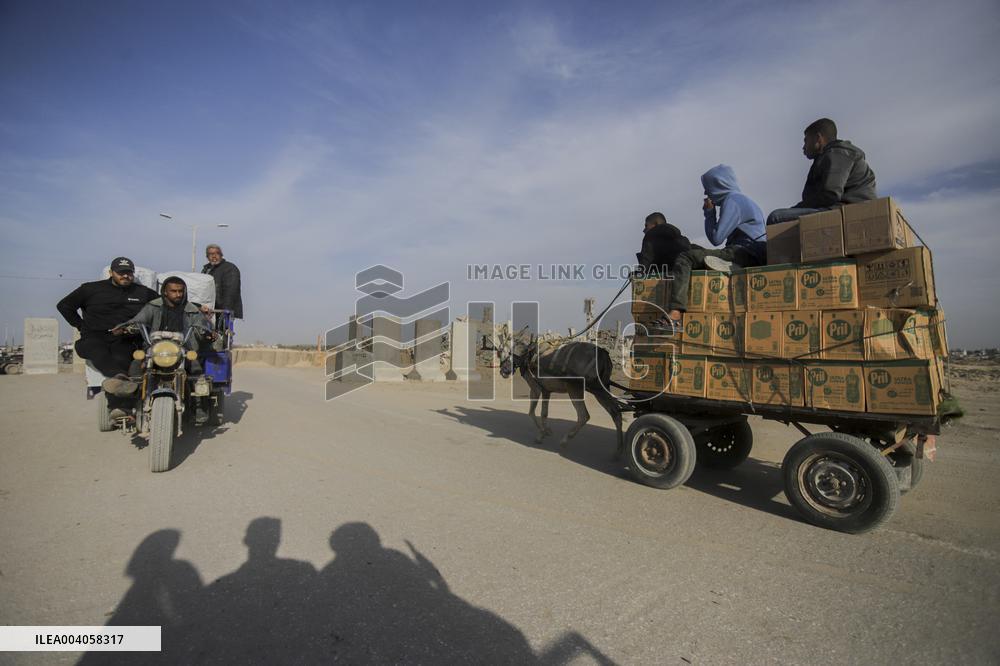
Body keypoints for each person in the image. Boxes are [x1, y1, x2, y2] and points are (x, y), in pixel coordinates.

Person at [660, 165, 766, 327]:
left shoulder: (733, 200)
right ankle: (724, 264)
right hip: (746, 251)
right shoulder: (740, 199)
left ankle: (675, 314)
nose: (706, 193)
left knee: (686, 257)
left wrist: (709, 213)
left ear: (718, 185)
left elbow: (716, 238)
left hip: (744, 252)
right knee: (693, 250)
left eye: (707, 188)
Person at [56, 256, 158, 396]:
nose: (125, 276)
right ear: (111, 273)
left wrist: (196, 307)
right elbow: (64, 306)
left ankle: (121, 404)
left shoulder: (143, 292)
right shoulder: (90, 289)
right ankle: (119, 377)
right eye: (121, 272)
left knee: (122, 355)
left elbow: (166, 304)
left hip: (125, 338)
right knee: (97, 350)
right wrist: (80, 325)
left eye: (129, 272)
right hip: (94, 337)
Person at [766, 118, 877, 225]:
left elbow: (830, 194)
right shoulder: (830, 156)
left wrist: (796, 209)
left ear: (818, 138)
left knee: (776, 218)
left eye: (806, 141)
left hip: (848, 210)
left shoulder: (837, 154)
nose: (803, 147)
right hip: (843, 208)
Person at [635, 211, 695, 276]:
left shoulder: (651, 235)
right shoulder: (682, 239)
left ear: (656, 224)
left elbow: (646, 261)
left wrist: (637, 274)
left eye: (646, 225)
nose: (644, 230)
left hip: (667, 276)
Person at [201, 244, 243, 319]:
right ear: (207, 257)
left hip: (222, 311)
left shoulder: (229, 268)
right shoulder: (206, 270)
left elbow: (231, 292)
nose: (214, 256)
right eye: (211, 254)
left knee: (222, 330)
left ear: (221, 255)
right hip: (209, 310)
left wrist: (225, 311)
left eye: (217, 253)